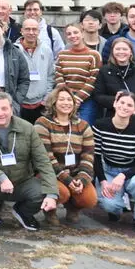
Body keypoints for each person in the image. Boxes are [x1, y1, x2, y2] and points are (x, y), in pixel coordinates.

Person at [0, 92, 59, 231]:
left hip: (22, 181)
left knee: (42, 190)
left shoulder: (28, 128)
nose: (0, 113)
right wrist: (0, 177)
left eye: (4, 108)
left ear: (12, 109)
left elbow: (43, 161)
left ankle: (23, 212)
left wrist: (52, 194)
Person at [93, 93, 135, 230]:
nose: (124, 107)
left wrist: (123, 176)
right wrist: (103, 181)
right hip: (109, 170)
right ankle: (116, 210)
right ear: (115, 103)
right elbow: (95, 157)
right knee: (110, 205)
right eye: (121, 102)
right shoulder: (100, 126)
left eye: (129, 105)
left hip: (133, 172)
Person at [34, 88, 97, 226]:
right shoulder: (42, 123)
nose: (66, 103)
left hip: (74, 173)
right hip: (50, 173)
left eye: (69, 100)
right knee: (62, 193)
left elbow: (88, 156)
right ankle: (50, 211)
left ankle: (73, 208)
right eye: (61, 99)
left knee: (90, 199)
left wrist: (81, 179)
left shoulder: (83, 126)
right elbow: (46, 158)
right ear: (53, 102)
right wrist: (67, 180)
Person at [55, 23, 103, 123]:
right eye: (69, 34)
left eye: (76, 32)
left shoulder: (94, 55)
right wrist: (68, 97)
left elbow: (93, 80)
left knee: (84, 128)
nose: (73, 36)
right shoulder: (62, 55)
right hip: (66, 98)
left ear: (82, 34)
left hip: (87, 100)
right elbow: (59, 77)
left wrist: (77, 99)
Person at [14, 18, 56, 123]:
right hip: (20, 104)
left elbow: (50, 75)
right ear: (21, 31)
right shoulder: (14, 50)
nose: (31, 32)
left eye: (34, 29)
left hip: (41, 104)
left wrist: (46, 98)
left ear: (39, 31)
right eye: (27, 29)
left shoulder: (46, 50)